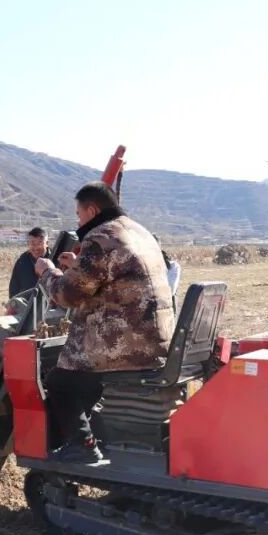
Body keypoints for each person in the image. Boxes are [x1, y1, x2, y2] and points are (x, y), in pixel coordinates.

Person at [34, 182, 175, 463]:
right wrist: (79, 263)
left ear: (92, 210)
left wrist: (47, 272)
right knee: (83, 382)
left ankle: (83, 445)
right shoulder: (139, 232)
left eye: (79, 214)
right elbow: (117, 273)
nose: (78, 222)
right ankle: (94, 434)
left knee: (60, 381)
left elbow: (67, 295)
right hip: (155, 339)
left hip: (124, 344)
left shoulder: (101, 237)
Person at [8, 226, 50, 298]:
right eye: (32, 244)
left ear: (47, 243)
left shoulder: (56, 258)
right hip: (28, 303)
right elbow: (14, 287)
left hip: (50, 302)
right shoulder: (22, 262)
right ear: (28, 244)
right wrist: (13, 302)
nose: (36, 248)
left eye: (39, 243)